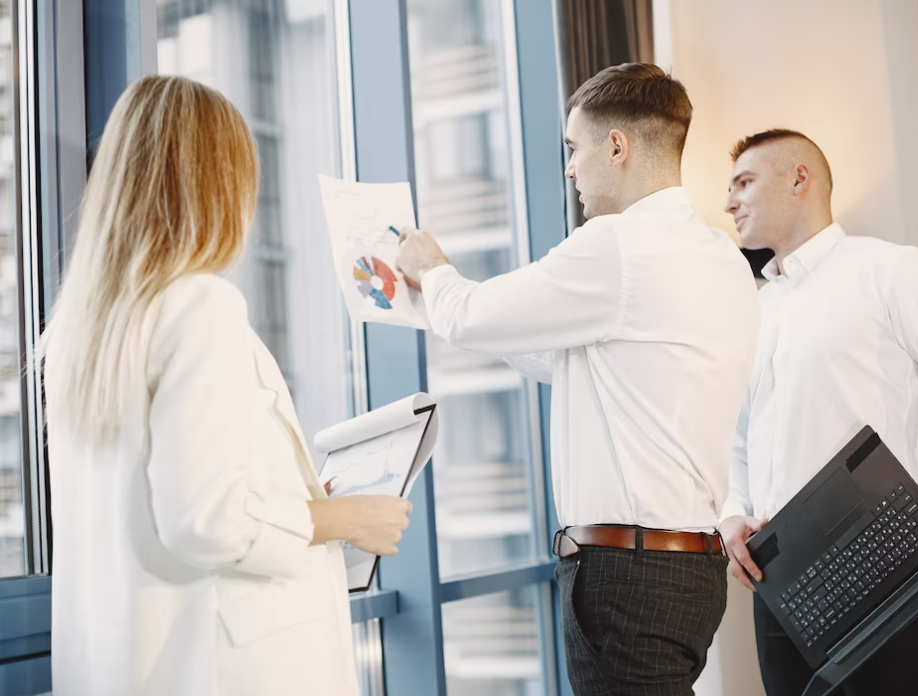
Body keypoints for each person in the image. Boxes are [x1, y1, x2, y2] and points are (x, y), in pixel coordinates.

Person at [40, 75, 412, 696]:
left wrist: (288, 494)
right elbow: (202, 520)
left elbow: (167, 490)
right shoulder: (199, 304)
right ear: (217, 183)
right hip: (225, 666)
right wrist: (340, 517)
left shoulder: (83, 327)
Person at [397, 63, 760, 695]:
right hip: (690, 572)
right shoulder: (720, 257)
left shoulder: (615, 246)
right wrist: (450, 309)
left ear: (616, 146)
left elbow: (475, 314)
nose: (570, 169)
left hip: (626, 574)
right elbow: (570, 359)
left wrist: (433, 270)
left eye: (574, 148)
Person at [719, 129, 918, 696]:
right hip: (780, 588)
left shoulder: (891, 270)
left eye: (744, 182)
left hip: (885, 573)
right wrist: (731, 516)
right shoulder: (752, 309)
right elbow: (738, 439)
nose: (728, 202)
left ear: (799, 178)